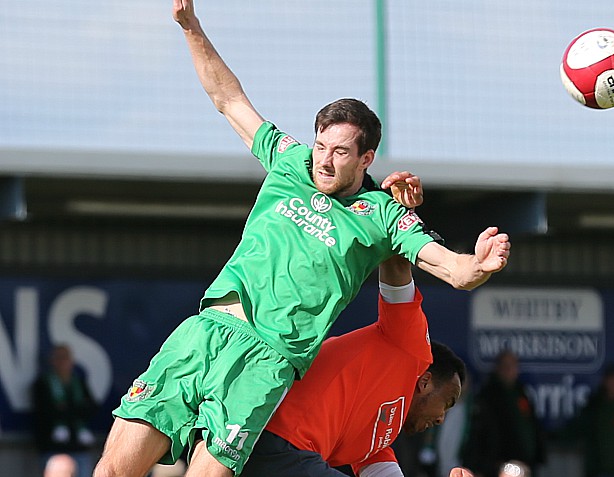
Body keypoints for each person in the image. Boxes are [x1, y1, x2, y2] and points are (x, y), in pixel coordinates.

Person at [93, 0, 511, 475]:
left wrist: (477, 264)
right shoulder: (290, 162)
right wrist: (191, 27)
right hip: (204, 332)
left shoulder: (382, 215)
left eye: (339, 152)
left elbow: (448, 267)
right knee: (113, 469)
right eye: (320, 146)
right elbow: (229, 100)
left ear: (366, 158)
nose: (324, 161)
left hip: (266, 363)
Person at [239, 255, 470, 477]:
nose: (441, 419)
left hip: (283, 454)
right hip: (277, 439)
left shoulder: (378, 438)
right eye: (447, 402)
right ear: (426, 381)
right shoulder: (411, 348)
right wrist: (398, 220)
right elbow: (396, 265)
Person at [462, 350, 546, 477]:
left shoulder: (521, 392)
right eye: (505, 366)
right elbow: (481, 435)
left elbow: (531, 426)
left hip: (525, 464)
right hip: (500, 465)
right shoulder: (488, 395)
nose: (509, 370)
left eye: (513, 366)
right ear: (498, 368)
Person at [32, 344, 97, 477]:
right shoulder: (43, 383)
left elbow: (90, 408)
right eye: (59, 358)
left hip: (78, 447)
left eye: (65, 358)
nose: (62, 362)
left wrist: (66, 410)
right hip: (53, 448)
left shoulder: (78, 383)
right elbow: (44, 413)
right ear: (52, 361)